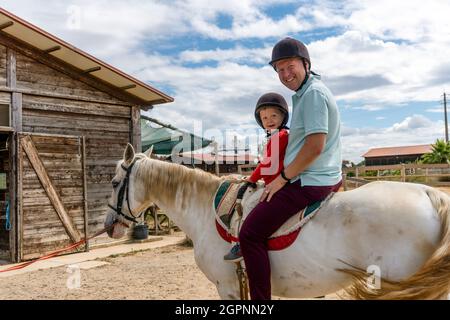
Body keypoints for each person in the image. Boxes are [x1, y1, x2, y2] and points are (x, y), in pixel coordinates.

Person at [239, 37, 343, 300]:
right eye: (280, 70)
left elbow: (315, 146)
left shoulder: (314, 94)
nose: (286, 74)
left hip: (310, 180)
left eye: (290, 66)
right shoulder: (305, 94)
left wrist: (282, 178)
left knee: (249, 233)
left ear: (305, 64)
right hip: (319, 175)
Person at [223, 92, 289, 262]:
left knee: (249, 204)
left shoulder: (281, 136)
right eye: (265, 117)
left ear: (283, 116)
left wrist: (251, 179)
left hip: (277, 184)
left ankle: (241, 243)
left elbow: (267, 164)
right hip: (271, 181)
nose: (269, 120)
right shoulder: (276, 136)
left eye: (274, 115)